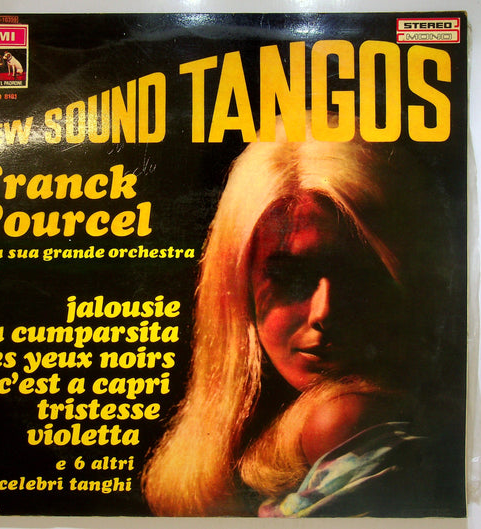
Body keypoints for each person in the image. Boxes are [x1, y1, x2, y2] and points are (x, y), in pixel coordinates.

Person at [141, 113, 463, 517]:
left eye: (358, 275)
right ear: (237, 281)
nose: (324, 311)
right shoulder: (251, 435)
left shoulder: (347, 421)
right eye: (290, 277)